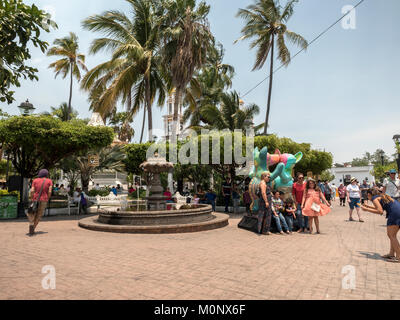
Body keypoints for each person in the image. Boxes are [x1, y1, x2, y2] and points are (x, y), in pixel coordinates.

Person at [361, 189, 400, 262]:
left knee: (391, 235)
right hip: (398, 212)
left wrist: (366, 209)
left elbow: (380, 211)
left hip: (395, 214)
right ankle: (391, 254)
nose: (367, 197)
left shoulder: (374, 198)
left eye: (367, 195)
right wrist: (368, 207)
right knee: (392, 235)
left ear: (369, 194)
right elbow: (380, 208)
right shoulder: (380, 196)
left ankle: (399, 256)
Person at [27, 169, 53, 236]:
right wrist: (48, 197)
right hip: (44, 200)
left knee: (32, 213)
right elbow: (50, 191)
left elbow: (32, 191)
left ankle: (31, 224)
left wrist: (32, 198)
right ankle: (33, 229)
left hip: (35, 199)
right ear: (46, 174)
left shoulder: (35, 180)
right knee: (39, 215)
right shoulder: (49, 181)